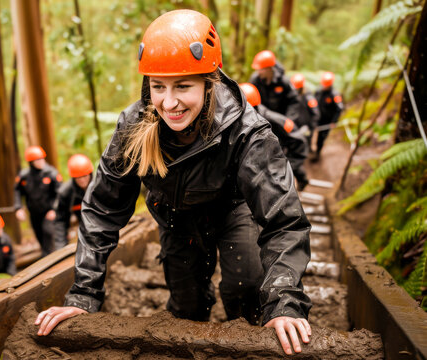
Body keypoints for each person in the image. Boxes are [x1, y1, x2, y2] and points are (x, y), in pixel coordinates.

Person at [35, 10, 312, 356]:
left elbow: (284, 219)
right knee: (187, 307)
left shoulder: (247, 132)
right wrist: (84, 295)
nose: (169, 102)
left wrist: (284, 303)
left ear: (208, 82)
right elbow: (103, 209)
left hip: (233, 209)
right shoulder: (134, 127)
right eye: (158, 86)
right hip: (175, 216)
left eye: (183, 86)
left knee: (246, 289)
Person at [239, 83, 309, 191]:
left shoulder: (274, 120)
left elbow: (299, 143)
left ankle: (303, 181)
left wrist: (286, 167)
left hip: (279, 156)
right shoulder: (242, 121)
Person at [14, 146, 62, 256]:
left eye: (42, 159)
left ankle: (49, 258)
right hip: (34, 213)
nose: (41, 162)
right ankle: (48, 256)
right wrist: (18, 208)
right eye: (38, 160)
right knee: (39, 236)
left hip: (49, 213)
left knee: (48, 233)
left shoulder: (51, 173)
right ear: (31, 162)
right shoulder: (24, 176)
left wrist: (54, 209)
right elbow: (17, 191)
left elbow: (60, 193)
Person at [248, 50, 302, 126]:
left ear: (269, 68)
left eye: (261, 69)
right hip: (262, 120)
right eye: (258, 69)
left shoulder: (283, 81)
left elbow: (294, 101)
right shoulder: (255, 80)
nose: (258, 72)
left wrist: (289, 120)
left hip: (280, 121)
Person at [54, 154, 94, 249]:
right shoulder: (65, 193)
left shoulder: (100, 185)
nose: (82, 180)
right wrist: (61, 247)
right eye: (78, 178)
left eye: (85, 176)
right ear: (73, 177)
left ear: (90, 173)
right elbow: (61, 220)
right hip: (82, 225)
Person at [313, 71, 343, 161]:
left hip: (327, 121)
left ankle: (317, 153)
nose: (324, 86)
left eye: (326, 85)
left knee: (321, 137)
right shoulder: (318, 91)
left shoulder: (334, 94)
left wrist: (334, 121)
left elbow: (339, 109)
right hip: (317, 118)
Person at [290, 73, 320, 153]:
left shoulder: (309, 97)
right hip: (296, 125)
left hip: (306, 127)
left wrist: (310, 127)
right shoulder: (293, 95)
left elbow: (316, 113)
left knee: (304, 143)